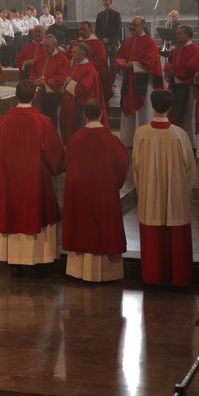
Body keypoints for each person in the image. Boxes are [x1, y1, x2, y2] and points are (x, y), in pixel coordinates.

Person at [0, 80, 63, 278]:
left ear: (16, 96)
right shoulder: (43, 122)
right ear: (34, 96)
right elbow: (54, 153)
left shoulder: (3, 122)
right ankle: (38, 261)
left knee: (12, 214)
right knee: (36, 214)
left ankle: (14, 261)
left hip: (9, 179)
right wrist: (56, 167)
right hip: (35, 179)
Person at [132, 89, 196, 287]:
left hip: (150, 192)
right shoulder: (179, 134)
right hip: (175, 194)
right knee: (175, 235)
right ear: (170, 107)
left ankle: (153, 276)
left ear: (152, 106)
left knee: (153, 233)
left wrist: (143, 190)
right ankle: (178, 277)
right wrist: (184, 192)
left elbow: (136, 166)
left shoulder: (141, 134)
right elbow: (190, 168)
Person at [62, 99, 129, 282]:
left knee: (83, 229)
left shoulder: (75, 140)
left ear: (85, 114)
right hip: (104, 195)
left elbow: (67, 165)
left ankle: (79, 271)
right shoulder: (112, 140)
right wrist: (113, 185)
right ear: (101, 114)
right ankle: (108, 273)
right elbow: (123, 166)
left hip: (81, 195)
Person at [116, 17, 163, 147]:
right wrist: (123, 63)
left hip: (144, 81)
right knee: (128, 107)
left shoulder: (150, 42)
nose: (133, 27)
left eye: (135, 25)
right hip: (129, 79)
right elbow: (120, 56)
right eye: (131, 25)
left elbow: (151, 61)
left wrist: (134, 65)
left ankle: (144, 139)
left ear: (143, 25)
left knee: (143, 110)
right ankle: (129, 139)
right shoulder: (129, 41)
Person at [61, 42, 107, 141]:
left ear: (82, 54)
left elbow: (84, 90)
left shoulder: (89, 69)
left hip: (81, 105)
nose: (71, 54)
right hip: (71, 104)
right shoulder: (76, 65)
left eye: (74, 52)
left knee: (80, 128)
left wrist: (69, 82)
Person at [165, 26, 199, 138]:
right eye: (177, 33)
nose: (177, 35)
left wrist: (171, 68)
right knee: (174, 112)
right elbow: (172, 63)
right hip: (175, 85)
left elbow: (191, 68)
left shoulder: (194, 50)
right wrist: (169, 70)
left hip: (186, 86)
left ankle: (183, 137)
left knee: (184, 115)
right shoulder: (178, 49)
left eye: (180, 33)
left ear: (188, 35)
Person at [68, 21, 112, 101]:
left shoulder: (98, 44)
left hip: (89, 78)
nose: (81, 31)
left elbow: (101, 62)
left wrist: (83, 65)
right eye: (79, 29)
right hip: (74, 77)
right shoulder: (75, 43)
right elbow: (68, 58)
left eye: (83, 29)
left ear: (90, 30)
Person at [32, 35, 69, 128]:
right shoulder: (41, 57)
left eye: (48, 46)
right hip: (38, 90)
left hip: (52, 92)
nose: (45, 49)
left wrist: (45, 82)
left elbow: (62, 77)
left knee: (50, 119)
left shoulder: (62, 59)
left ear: (55, 46)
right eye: (44, 46)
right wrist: (34, 80)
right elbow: (33, 71)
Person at [95, 0, 122, 75]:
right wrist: (101, 39)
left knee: (112, 63)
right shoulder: (100, 15)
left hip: (112, 42)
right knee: (102, 62)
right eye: (104, 5)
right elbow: (97, 29)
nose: (106, 6)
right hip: (102, 42)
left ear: (111, 4)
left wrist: (109, 40)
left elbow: (117, 30)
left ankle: (112, 79)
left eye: (108, 4)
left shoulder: (116, 14)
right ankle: (104, 78)